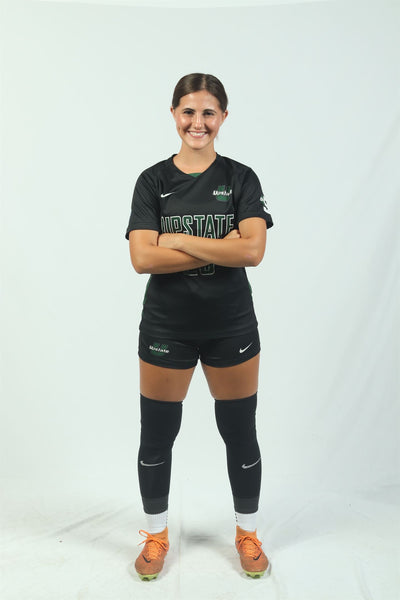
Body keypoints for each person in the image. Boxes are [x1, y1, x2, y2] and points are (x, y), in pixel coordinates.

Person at [125, 73, 273, 581]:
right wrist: (220, 246)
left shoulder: (242, 177)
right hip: (166, 326)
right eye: (188, 111)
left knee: (239, 432)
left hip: (231, 326)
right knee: (157, 436)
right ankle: (156, 535)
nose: (198, 122)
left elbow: (253, 251)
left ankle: (247, 533)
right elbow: (142, 259)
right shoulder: (152, 181)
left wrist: (177, 240)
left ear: (223, 117)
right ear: (173, 114)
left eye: (209, 112)